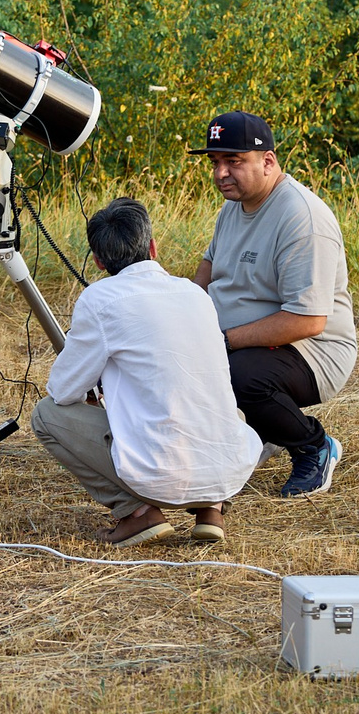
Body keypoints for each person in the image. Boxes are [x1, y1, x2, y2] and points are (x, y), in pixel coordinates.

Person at [30, 197, 264, 547]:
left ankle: (137, 513)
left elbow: (62, 391)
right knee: (219, 408)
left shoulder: (100, 299)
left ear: (97, 260)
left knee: (46, 415)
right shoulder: (194, 293)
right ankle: (211, 508)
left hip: (160, 474)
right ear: (153, 246)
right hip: (227, 469)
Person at [190, 112, 355, 498]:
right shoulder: (234, 205)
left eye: (234, 161)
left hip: (314, 352)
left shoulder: (301, 217)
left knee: (239, 376)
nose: (220, 174)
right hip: (246, 342)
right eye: (215, 162)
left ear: (268, 161)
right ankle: (256, 434)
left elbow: (309, 320)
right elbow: (210, 265)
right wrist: (186, 315)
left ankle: (314, 447)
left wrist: (222, 341)